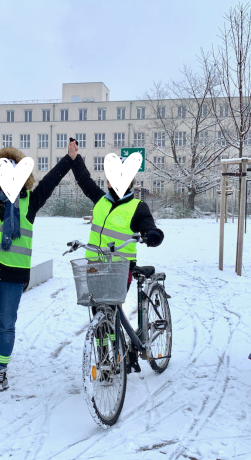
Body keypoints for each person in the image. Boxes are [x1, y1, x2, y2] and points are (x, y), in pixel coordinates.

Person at [0, 134, 76, 390]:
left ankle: (1, 369)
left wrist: (69, 159)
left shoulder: (30, 201)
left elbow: (51, 180)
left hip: (13, 271)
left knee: (8, 325)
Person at [69, 142, 164, 373]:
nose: (112, 182)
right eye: (110, 179)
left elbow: (149, 226)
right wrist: (74, 159)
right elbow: (84, 181)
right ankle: (105, 359)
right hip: (94, 266)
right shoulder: (101, 200)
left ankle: (122, 353)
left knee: (110, 306)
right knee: (98, 312)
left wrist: (152, 235)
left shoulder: (137, 207)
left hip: (121, 269)